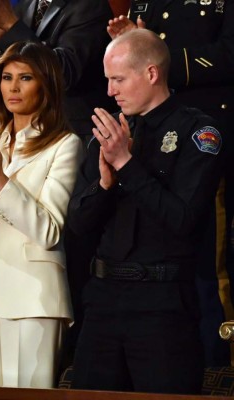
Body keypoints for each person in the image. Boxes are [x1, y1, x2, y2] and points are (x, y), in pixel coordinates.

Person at [67, 29, 224, 394]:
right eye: (107, 81)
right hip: (103, 300)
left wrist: (126, 163)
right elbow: (78, 223)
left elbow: (182, 220)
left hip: (163, 305)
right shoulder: (107, 133)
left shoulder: (199, 132)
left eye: (118, 79)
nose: (110, 91)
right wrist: (105, 184)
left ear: (151, 74)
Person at [0, 41, 83, 388]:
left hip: (32, 298)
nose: (14, 87)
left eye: (25, 78)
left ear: (46, 84)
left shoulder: (64, 144)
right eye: (7, 77)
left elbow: (49, 231)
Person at [107, 1, 234, 366]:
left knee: (211, 258)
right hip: (150, 130)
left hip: (207, 135)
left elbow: (229, 52)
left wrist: (149, 59)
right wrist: (131, 43)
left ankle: (219, 353)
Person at [0, 0, 117, 143]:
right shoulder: (25, 4)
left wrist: (11, 25)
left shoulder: (91, 5)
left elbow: (64, 73)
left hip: (71, 134)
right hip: (24, 133)